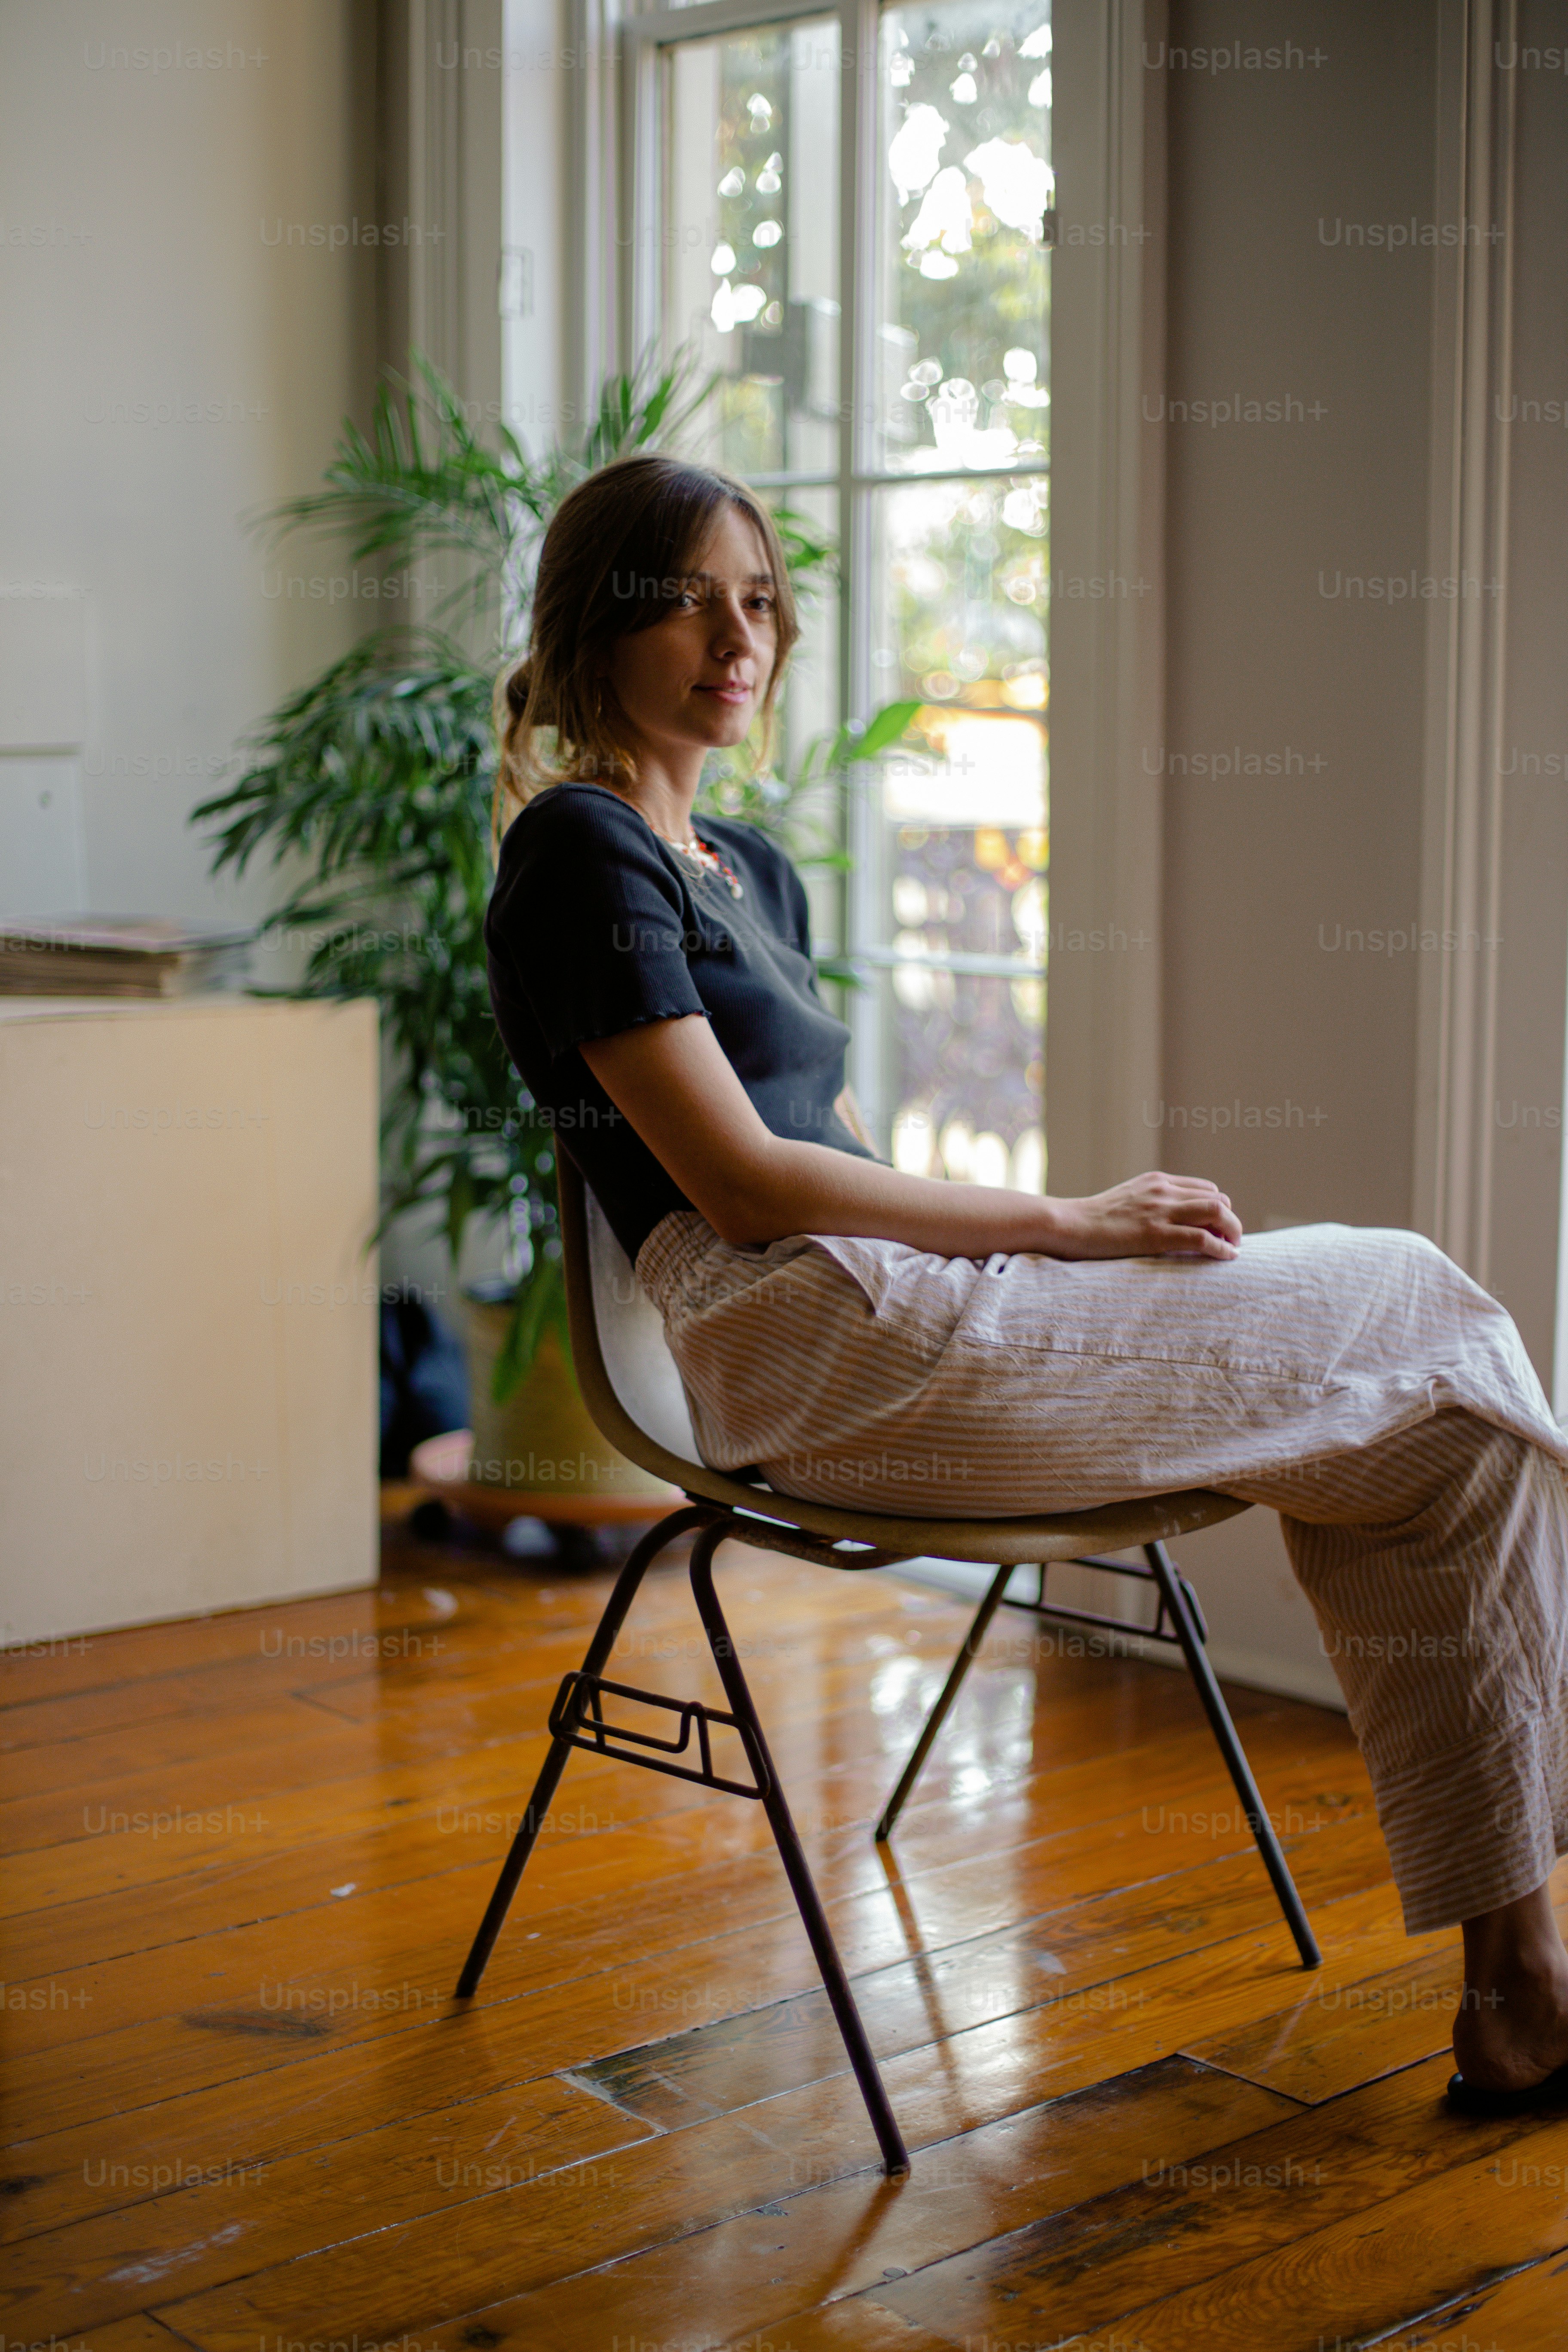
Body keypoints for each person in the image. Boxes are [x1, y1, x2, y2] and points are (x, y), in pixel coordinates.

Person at [484, 450, 1568, 2113]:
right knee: (1414, 1288)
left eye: (759, 601)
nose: (738, 637)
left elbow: (840, 1149)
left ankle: (1520, 1989)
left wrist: (1029, 1248)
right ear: (594, 625)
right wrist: (1073, 1221)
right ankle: (1533, 1984)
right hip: (800, 1344)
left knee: (1450, 1451)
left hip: (886, 1312)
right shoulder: (579, 849)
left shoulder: (751, 867)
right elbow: (745, 1184)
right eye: (688, 601)